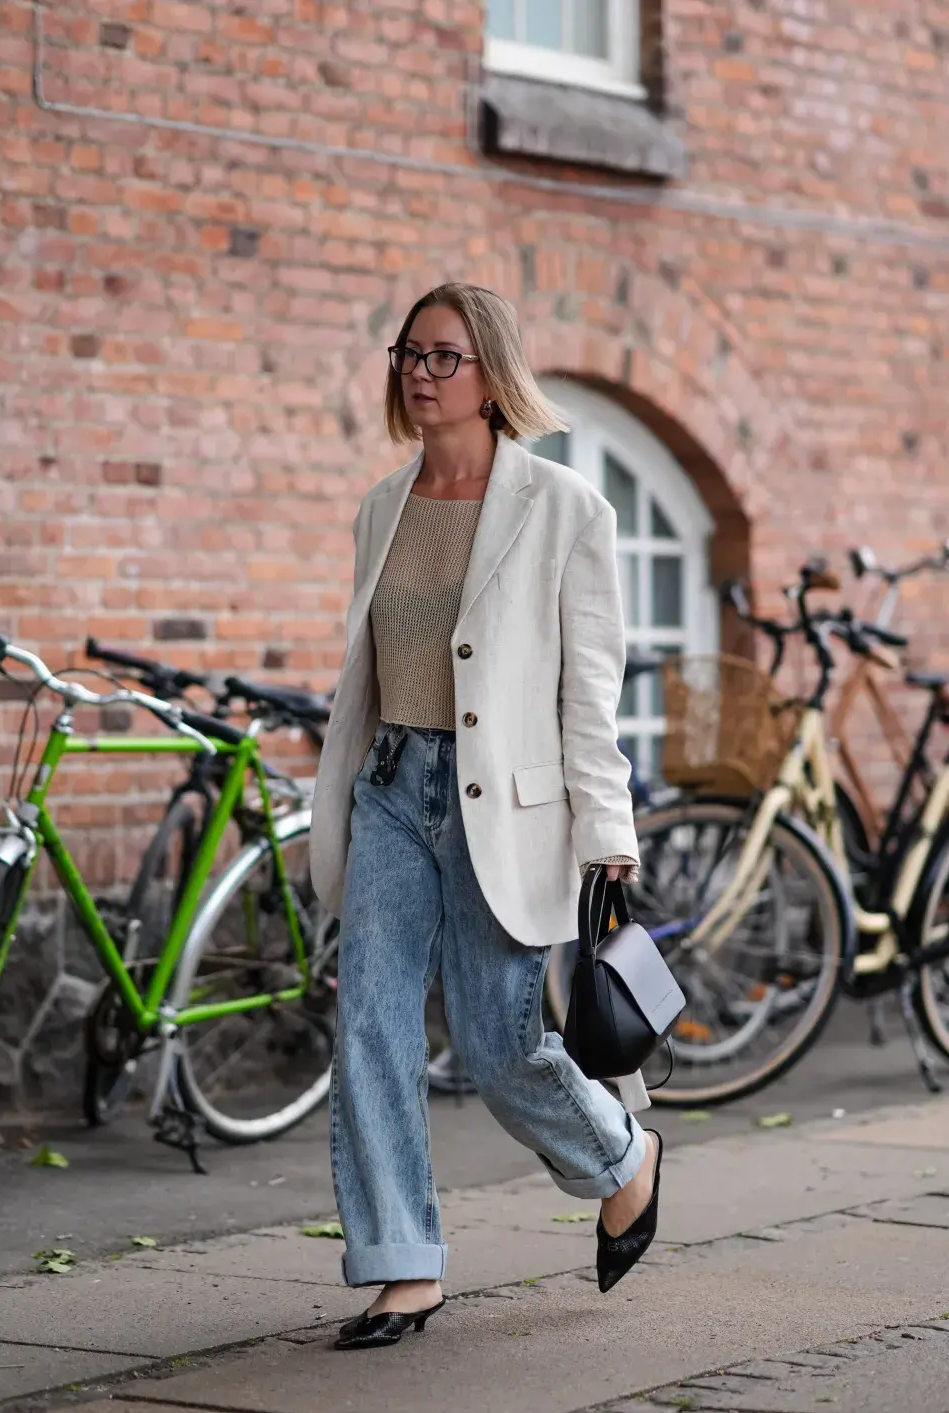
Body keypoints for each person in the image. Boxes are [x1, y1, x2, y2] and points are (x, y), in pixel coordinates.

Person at [309, 282, 663, 1351]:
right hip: (391, 790)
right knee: (367, 1021)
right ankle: (400, 1264)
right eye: (408, 354)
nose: (419, 373)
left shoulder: (565, 510)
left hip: (502, 805)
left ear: (491, 372)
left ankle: (622, 1157)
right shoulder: (384, 503)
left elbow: (585, 692)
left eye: (443, 356)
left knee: (497, 1042)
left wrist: (609, 832)